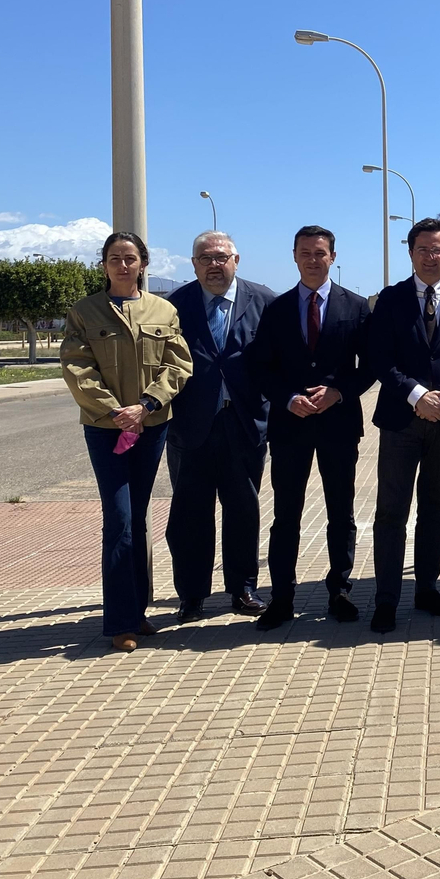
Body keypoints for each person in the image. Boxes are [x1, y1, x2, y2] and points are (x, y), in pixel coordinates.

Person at [60, 232, 193, 652]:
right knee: (117, 519)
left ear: (142, 264)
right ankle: (119, 621)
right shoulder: (84, 312)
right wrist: (118, 411)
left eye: (130, 258)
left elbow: (178, 363)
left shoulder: (163, 310)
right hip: (106, 429)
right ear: (103, 265)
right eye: (114, 258)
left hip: (151, 425)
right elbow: (77, 368)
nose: (122, 265)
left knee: (137, 517)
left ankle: (138, 611)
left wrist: (146, 406)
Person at [249, 225, 374, 629]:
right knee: (286, 515)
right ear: (294, 256)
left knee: (342, 513)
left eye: (320, 253)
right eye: (305, 252)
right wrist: (287, 398)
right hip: (290, 426)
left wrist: (339, 391)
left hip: (338, 425)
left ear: (332, 257)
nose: (313, 259)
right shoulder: (277, 308)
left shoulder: (355, 307)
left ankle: (339, 591)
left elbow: (370, 367)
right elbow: (262, 368)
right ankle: (281, 598)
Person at [366, 218, 440, 634]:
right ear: (411, 252)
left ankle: (427, 589)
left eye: (437, 249)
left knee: (434, 506)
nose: (430, 257)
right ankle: (386, 600)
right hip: (402, 419)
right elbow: (379, 358)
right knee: (391, 511)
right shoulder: (390, 299)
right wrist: (417, 395)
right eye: (422, 250)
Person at [163, 230, 276, 624]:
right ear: (193, 264)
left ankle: (243, 589)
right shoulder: (172, 306)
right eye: (205, 258)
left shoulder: (265, 301)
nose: (214, 264)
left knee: (243, 509)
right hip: (190, 428)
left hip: (244, 425)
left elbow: (278, 363)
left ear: (236, 260)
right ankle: (191, 596)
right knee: (189, 516)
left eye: (221, 257)